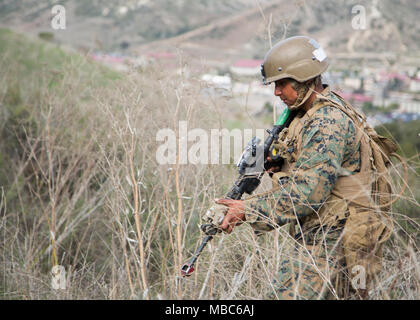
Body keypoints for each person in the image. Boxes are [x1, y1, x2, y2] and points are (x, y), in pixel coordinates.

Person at [209, 36, 395, 299]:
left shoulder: (325, 122)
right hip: (324, 232)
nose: (276, 92)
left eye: (281, 84)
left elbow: (308, 193)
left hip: (331, 240)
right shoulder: (308, 113)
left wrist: (247, 211)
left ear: (304, 78)